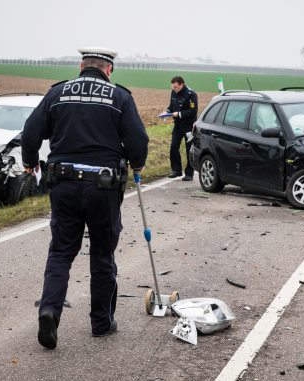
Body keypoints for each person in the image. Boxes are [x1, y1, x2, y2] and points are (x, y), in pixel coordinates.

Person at [21, 47, 148, 349]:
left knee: (61, 251)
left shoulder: (58, 93)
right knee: (102, 254)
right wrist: (137, 162)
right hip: (103, 189)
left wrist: (30, 162)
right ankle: (101, 323)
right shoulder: (119, 97)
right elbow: (138, 140)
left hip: (63, 184)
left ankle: (50, 310)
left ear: (81, 66)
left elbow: (30, 132)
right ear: (108, 69)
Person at [166, 76, 198, 181]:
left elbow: (193, 111)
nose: (174, 89)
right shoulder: (173, 92)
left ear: (181, 84)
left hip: (189, 126)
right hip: (178, 125)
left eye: (176, 87)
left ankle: (189, 173)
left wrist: (179, 114)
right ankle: (176, 170)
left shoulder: (191, 94)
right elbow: (172, 106)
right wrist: (167, 112)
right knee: (173, 147)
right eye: (173, 87)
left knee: (189, 150)